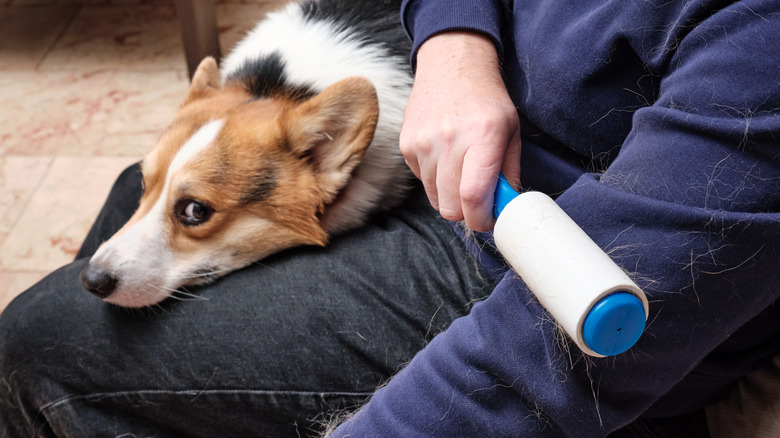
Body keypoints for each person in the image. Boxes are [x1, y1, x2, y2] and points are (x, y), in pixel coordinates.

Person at [1, 0, 779, 436]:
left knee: (37, 346)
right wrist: (456, 46)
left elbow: (560, 346)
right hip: (454, 148)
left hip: (535, 262)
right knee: (120, 212)